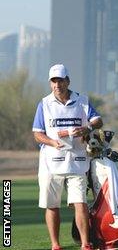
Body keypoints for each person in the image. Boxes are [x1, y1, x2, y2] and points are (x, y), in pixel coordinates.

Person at [32, 64, 103, 250]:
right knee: (51, 204)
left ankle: (86, 244)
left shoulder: (82, 101)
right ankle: (55, 245)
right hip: (50, 162)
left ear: (68, 81)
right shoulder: (44, 104)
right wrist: (52, 142)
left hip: (77, 161)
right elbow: (38, 134)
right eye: (53, 81)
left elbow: (98, 120)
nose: (57, 85)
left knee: (80, 202)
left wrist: (87, 128)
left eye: (60, 80)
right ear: (50, 83)